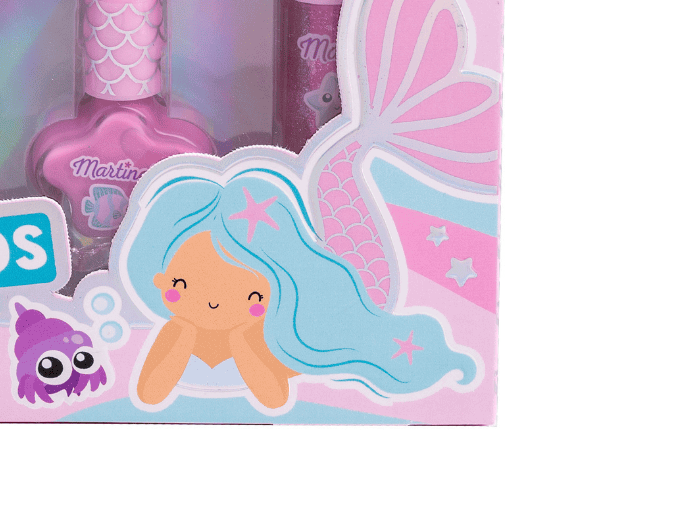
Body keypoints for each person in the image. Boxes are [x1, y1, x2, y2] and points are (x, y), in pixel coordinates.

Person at [122, 166, 478, 410]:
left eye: (250, 295)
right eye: (184, 285)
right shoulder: (175, 331)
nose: (213, 302)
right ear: (160, 280)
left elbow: (275, 400)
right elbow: (149, 395)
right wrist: (184, 333)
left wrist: (242, 341)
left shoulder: (265, 336)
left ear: (275, 290)